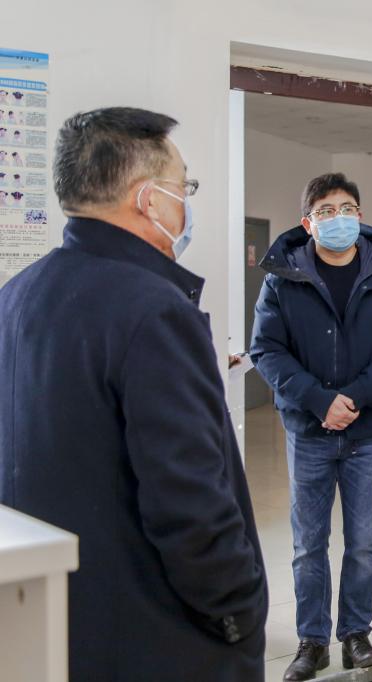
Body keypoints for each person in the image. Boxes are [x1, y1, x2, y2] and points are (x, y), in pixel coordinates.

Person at [0, 107, 268, 681]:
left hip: (55, 623)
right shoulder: (154, 311)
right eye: (184, 187)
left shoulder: (16, 295)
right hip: (156, 637)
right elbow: (189, 499)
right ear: (149, 200)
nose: (186, 203)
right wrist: (238, 615)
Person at [250, 172, 372, 681]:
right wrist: (320, 400)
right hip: (309, 430)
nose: (338, 218)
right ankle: (312, 641)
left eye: (346, 208)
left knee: (364, 540)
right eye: (325, 211)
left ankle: (355, 635)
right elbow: (266, 349)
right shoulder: (283, 278)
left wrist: (356, 397)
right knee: (309, 543)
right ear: (308, 223)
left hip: (367, 431)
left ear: (360, 216)